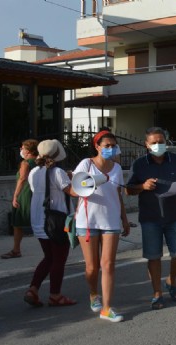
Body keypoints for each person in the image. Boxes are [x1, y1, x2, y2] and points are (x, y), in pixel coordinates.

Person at [126, 127, 176, 310]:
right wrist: (142, 186)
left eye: (161, 141)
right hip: (150, 217)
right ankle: (157, 293)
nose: (158, 145)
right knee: (154, 257)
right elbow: (128, 189)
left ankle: (172, 280)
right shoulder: (139, 164)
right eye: (153, 142)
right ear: (146, 145)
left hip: (175, 215)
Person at [73, 131, 130, 322]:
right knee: (92, 267)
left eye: (113, 145)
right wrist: (91, 182)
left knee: (108, 265)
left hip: (111, 221)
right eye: (107, 146)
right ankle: (93, 293)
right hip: (87, 221)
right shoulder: (86, 164)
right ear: (97, 146)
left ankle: (106, 308)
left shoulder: (117, 168)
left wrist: (124, 219)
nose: (111, 149)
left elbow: (119, 196)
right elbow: (74, 190)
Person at [23, 139, 77, 307]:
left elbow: (40, 190)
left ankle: (33, 288)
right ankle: (55, 295)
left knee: (48, 257)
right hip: (57, 220)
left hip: (39, 220)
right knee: (59, 259)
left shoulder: (34, 172)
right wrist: (80, 181)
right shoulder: (57, 172)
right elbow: (72, 192)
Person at [2, 139, 38, 259]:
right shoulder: (39, 162)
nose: (20, 150)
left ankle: (16, 249)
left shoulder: (26, 163)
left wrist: (15, 195)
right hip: (35, 194)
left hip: (25, 194)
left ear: (28, 151)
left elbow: (22, 179)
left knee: (18, 223)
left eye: (22, 148)